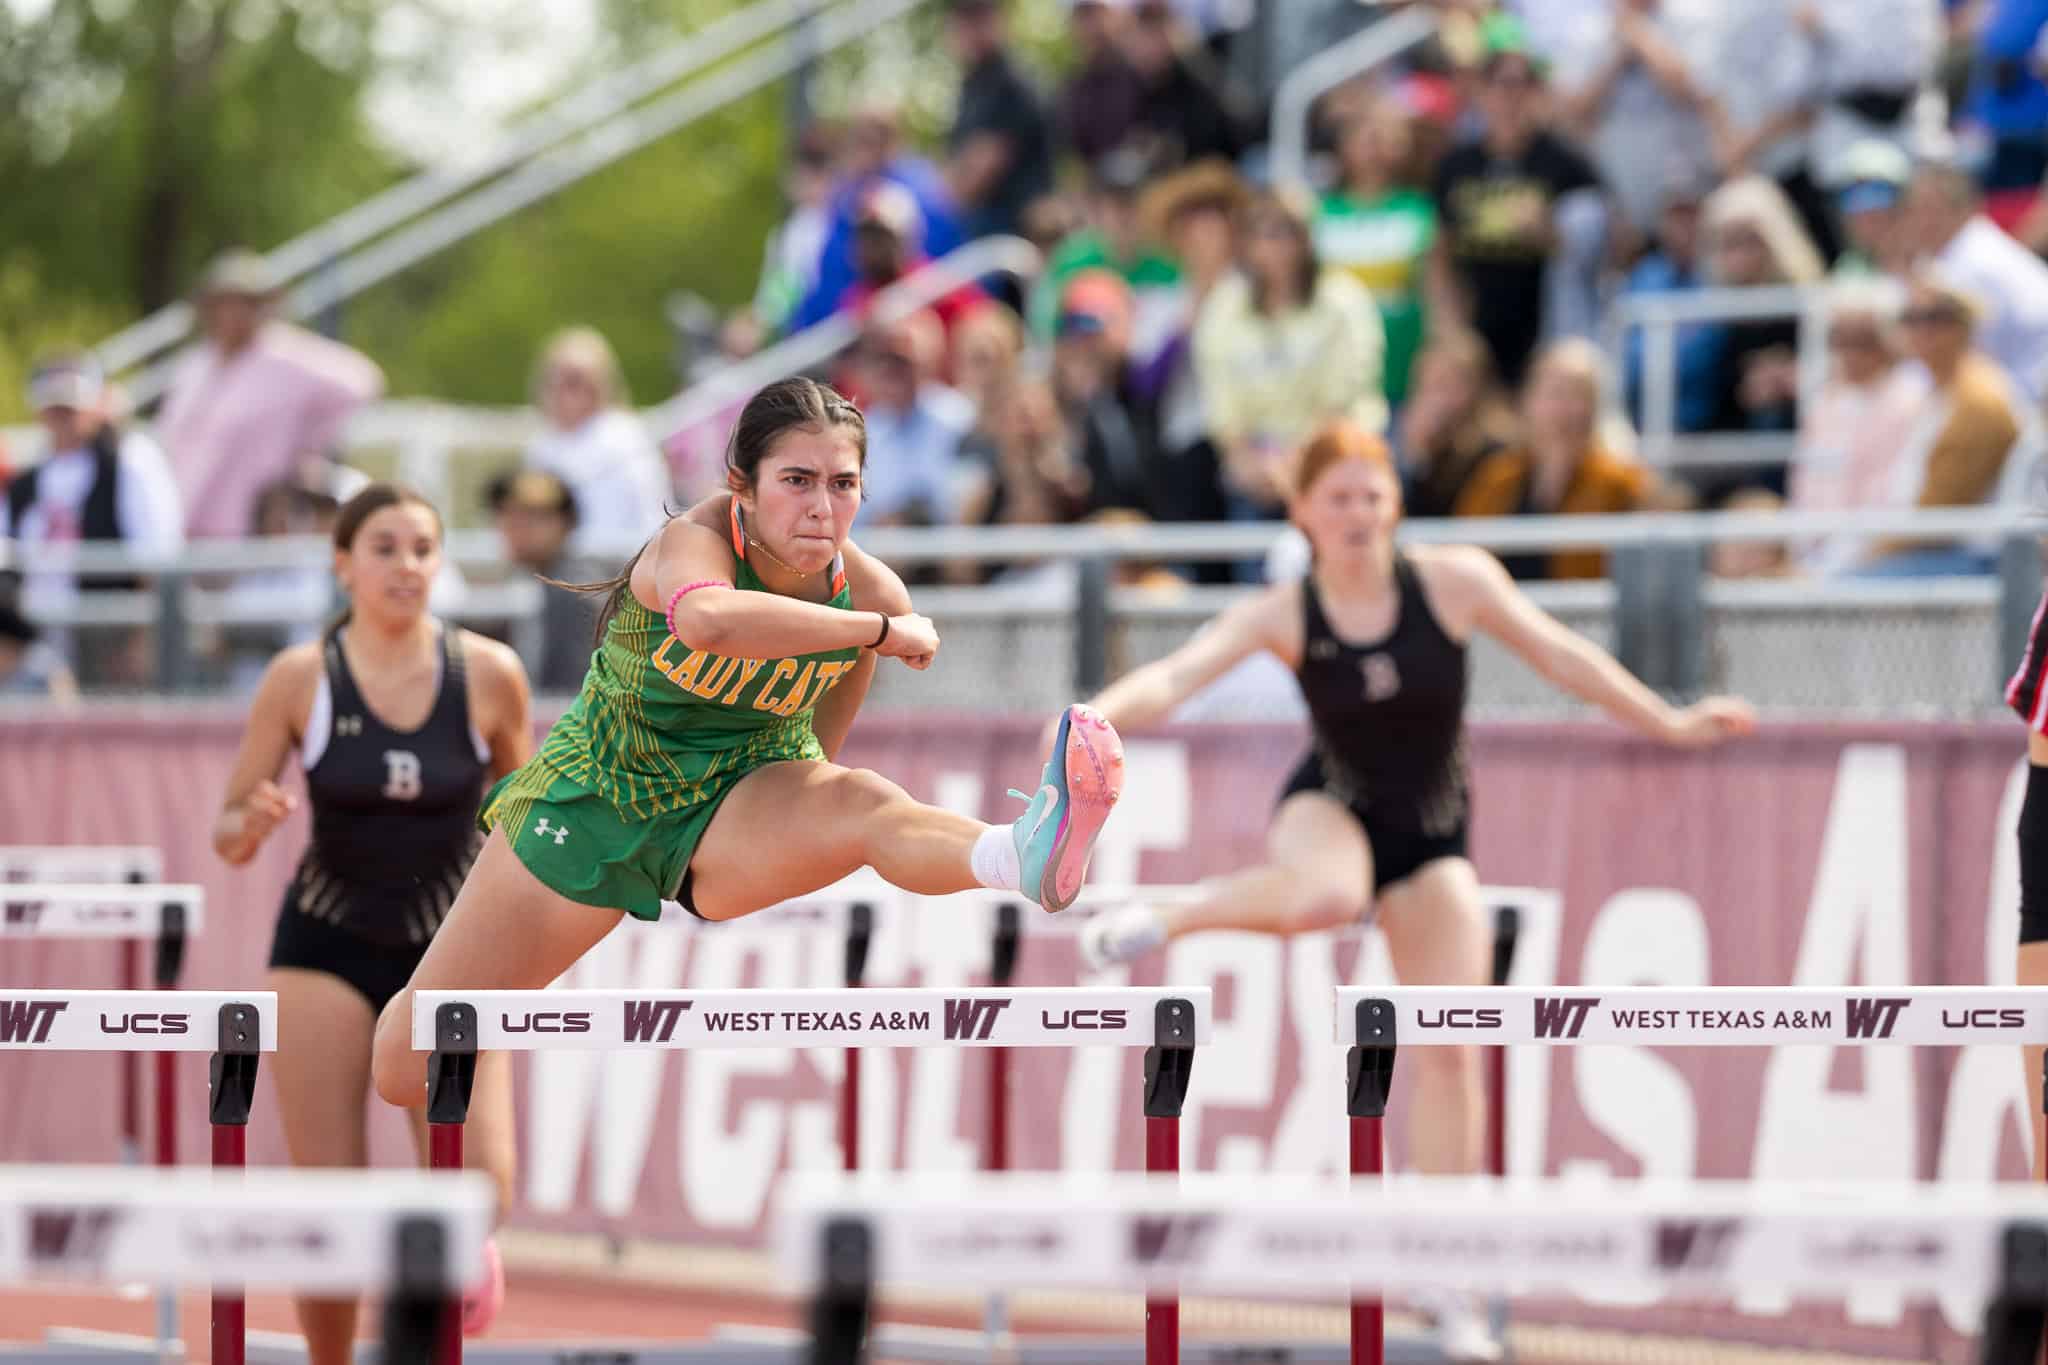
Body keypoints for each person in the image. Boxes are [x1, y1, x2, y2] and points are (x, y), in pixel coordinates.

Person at [1075, 420, 1754, 1362]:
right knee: (1325, 893)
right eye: (1338, 499)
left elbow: (1565, 657)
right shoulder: (1286, 609)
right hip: (1331, 806)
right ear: (1303, 511)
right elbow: (1176, 675)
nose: (1358, 515)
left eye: (1373, 496)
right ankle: (1176, 912)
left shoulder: (1456, 581)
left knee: (1453, 1046)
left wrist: (1669, 721)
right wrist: (1091, 719)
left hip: (1435, 832)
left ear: (1396, 503)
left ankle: (1450, 1280)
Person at [366, 378, 1126, 1125]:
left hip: (728, 810)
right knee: (411, 1061)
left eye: (843, 484)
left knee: (862, 802)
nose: (821, 507)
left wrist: (799, 810)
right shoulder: (692, 542)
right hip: (595, 804)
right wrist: (875, 633)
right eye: (796, 480)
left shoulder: (871, 595)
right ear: (744, 486)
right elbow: (709, 622)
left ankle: (1017, 851)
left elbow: (819, 746)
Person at [211, 484, 535, 1365]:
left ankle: (455, 1270)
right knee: (331, 1205)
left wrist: (523, 932)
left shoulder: (489, 674)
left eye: (424, 548)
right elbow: (228, 828)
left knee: (477, 1194)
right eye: (385, 547)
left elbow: (535, 823)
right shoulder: (300, 675)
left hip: (450, 947)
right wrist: (250, 821)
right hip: (325, 942)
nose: (407, 566)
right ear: (343, 563)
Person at [158, 249, 383, 540]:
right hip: (184, 524)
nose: (232, 313)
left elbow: (361, 383)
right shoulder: (196, 363)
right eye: (224, 303)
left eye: (244, 303)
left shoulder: (284, 357)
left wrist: (304, 443)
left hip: (247, 527)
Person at [1194, 188, 1387, 526]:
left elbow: (1345, 394)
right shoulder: (1225, 305)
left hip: (1336, 455)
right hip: (1255, 467)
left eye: (1288, 231)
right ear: (1248, 242)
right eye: (1265, 231)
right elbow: (1221, 400)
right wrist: (1247, 460)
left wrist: (1298, 462)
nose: (1278, 244)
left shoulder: (1343, 300)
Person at [4, 353, 186, 686]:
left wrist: (141, 640)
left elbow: (157, 556)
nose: (62, 416)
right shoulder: (26, 482)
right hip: (38, 642)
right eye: (54, 407)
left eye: (71, 406)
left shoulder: (129, 462)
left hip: (107, 636)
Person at [1453, 339, 1653, 580]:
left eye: (1579, 394)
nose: (1565, 410)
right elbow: (1466, 555)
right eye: (1555, 393)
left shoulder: (1622, 483)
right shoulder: (1497, 478)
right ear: (1528, 401)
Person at [524, 328, 671, 555]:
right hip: (559, 566)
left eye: (574, 380)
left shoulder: (624, 436)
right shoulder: (542, 445)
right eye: (555, 378)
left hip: (615, 563)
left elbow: (649, 513)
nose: (562, 389)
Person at [943, 0, 1056, 242]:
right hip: (984, 229)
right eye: (965, 20)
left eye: (980, 19)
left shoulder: (1012, 83)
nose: (972, 30)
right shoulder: (971, 86)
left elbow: (979, 172)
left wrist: (941, 201)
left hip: (1019, 233)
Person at [487, 469, 596, 693]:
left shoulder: (573, 591)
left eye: (532, 518)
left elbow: (561, 695)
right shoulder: (532, 583)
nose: (514, 527)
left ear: (566, 524)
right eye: (507, 515)